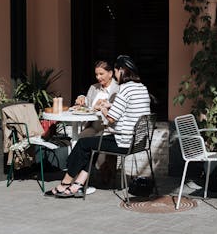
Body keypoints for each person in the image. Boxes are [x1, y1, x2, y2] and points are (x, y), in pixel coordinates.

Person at [47, 55, 151, 198]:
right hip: (139, 142)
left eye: (115, 72)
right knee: (89, 145)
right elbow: (129, 109)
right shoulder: (142, 88)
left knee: (83, 144)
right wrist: (111, 105)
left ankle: (64, 183)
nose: (115, 75)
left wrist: (103, 109)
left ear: (121, 71)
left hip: (123, 141)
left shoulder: (124, 89)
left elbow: (110, 119)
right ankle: (77, 185)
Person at [74, 60, 119, 138]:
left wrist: (101, 107)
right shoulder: (93, 88)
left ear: (110, 73)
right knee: (78, 139)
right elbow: (86, 108)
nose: (98, 77)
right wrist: (81, 100)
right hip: (93, 127)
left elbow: (117, 112)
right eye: (96, 74)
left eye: (101, 74)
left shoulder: (118, 89)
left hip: (109, 129)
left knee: (92, 142)